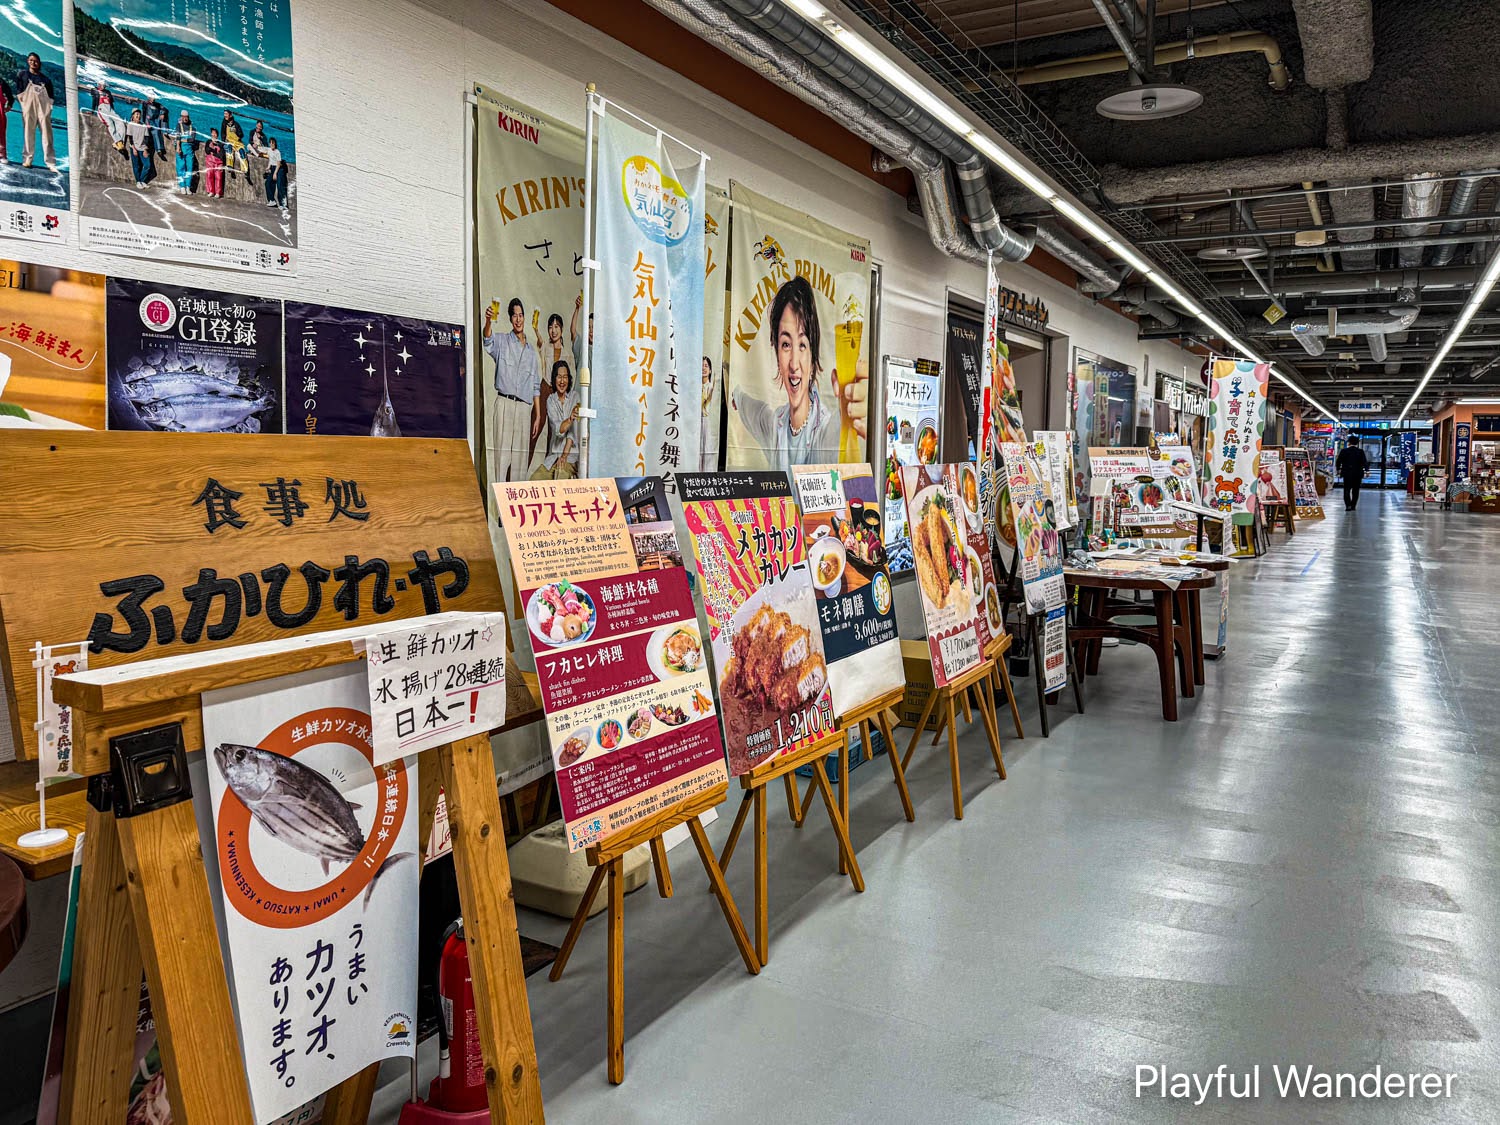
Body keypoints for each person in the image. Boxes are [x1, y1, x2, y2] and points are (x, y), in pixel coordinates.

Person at [729, 275, 867, 473]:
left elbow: (842, 432)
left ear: (813, 357)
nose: (794, 364)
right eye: (786, 344)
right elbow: (750, 407)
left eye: (802, 345)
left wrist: (855, 410)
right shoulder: (774, 425)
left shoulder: (825, 430)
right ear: (777, 352)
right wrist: (736, 396)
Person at [483, 297, 542, 483]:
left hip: (524, 408)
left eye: (521, 315)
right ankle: (498, 501)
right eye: (514, 316)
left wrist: (538, 415)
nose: (518, 319)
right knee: (501, 456)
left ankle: (517, 499)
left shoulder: (531, 352)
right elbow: (487, 340)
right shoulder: (502, 341)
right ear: (510, 319)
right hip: (505, 403)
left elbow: (535, 385)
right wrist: (488, 321)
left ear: (524, 317)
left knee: (520, 460)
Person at [531, 361, 581, 480]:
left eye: (565, 377)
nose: (562, 381)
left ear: (569, 379)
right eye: (559, 377)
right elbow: (558, 429)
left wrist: (564, 456)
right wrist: (570, 419)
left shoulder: (575, 397)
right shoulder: (550, 400)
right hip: (553, 456)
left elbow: (572, 433)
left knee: (560, 475)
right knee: (534, 480)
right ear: (554, 379)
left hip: (571, 457)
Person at [14, 53, 56, 170]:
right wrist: (23, 103)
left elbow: (51, 96)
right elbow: (19, 90)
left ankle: (51, 162)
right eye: (31, 60)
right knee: (28, 132)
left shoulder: (46, 80)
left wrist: (49, 107)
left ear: (39, 63)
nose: (33, 63)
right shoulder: (22, 74)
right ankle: (27, 159)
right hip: (28, 106)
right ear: (28, 61)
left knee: (47, 135)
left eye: (36, 61)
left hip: (43, 108)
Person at [1335, 438, 1370, 511]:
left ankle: (1348, 505)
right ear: (1357, 443)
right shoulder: (1360, 451)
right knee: (1356, 490)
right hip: (1358, 474)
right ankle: (1353, 505)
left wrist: (1338, 469)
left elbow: (1338, 462)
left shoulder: (1344, 451)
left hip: (1347, 473)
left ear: (1349, 443)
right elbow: (1364, 462)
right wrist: (1367, 471)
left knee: (1346, 490)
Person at [171, 111, 197, 194]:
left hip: (189, 151)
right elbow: (178, 137)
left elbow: (192, 139)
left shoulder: (193, 127)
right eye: (183, 117)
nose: (185, 118)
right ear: (181, 117)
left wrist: (183, 139)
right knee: (180, 168)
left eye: (186, 117)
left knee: (189, 168)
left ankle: (188, 187)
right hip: (181, 149)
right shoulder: (178, 125)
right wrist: (178, 147)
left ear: (188, 117)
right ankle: (182, 186)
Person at [125, 109, 152, 187]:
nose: (138, 115)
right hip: (134, 148)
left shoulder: (143, 125)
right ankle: (138, 182)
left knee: (147, 165)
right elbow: (130, 138)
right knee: (136, 166)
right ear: (133, 116)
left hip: (143, 148)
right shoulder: (130, 124)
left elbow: (146, 138)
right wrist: (134, 149)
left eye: (139, 114)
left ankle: (142, 181)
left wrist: (145, 149)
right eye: (136, 114)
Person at [262, 136, 287, 208]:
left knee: (279, 186)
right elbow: (270, 160)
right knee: (267, 183)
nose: (272, 144)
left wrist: (275, 173)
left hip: (279, 169)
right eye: (270, 143)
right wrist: (268, 167)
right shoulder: (269, 150)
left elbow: (278, 163)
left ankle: (282, 204)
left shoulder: (277, 152)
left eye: (273, 143)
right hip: (272, 168)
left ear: (275, 144)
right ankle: (272, 201)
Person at [202, 128, 225, 197]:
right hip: (210, 162)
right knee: (209, 176)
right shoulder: (208, 141)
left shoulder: (220, 144)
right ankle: (211, 191)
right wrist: (213, 149)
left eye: (215, 133)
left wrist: (213, 150)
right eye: (212, 133)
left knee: (218, 177)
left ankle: (218, 192)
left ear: (217, 135)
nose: (213, 134)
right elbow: (207, 150)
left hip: (218, 163)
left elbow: (221, 155)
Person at [0, 76, 11, 165]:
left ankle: (2, 154)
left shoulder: (2, 82)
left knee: (1, 133)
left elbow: (10, 95)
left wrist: (9, 105)